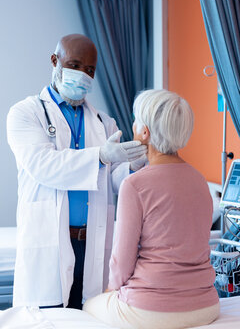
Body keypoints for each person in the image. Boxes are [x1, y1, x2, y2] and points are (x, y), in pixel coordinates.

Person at [6, 34, 147, 309]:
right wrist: (101, 156)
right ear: (54, 61)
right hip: (50, 239)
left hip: (91, 240)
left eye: (90, 70)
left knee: (88, 314)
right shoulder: (25, 113)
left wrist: (133, 165)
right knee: (51, 318)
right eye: (75, 65)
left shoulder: (104, 122)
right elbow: (44, 166)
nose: (82, 74)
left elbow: (113, 181)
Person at [83, 89, 220, 329]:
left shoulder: (134, 184)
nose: (133, 126)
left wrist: (110, 291)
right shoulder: (200, 181)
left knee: (88, 306)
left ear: (144, 132)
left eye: (136, 121)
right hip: (206, 306)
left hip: (149, 309)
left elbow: (121, 263)